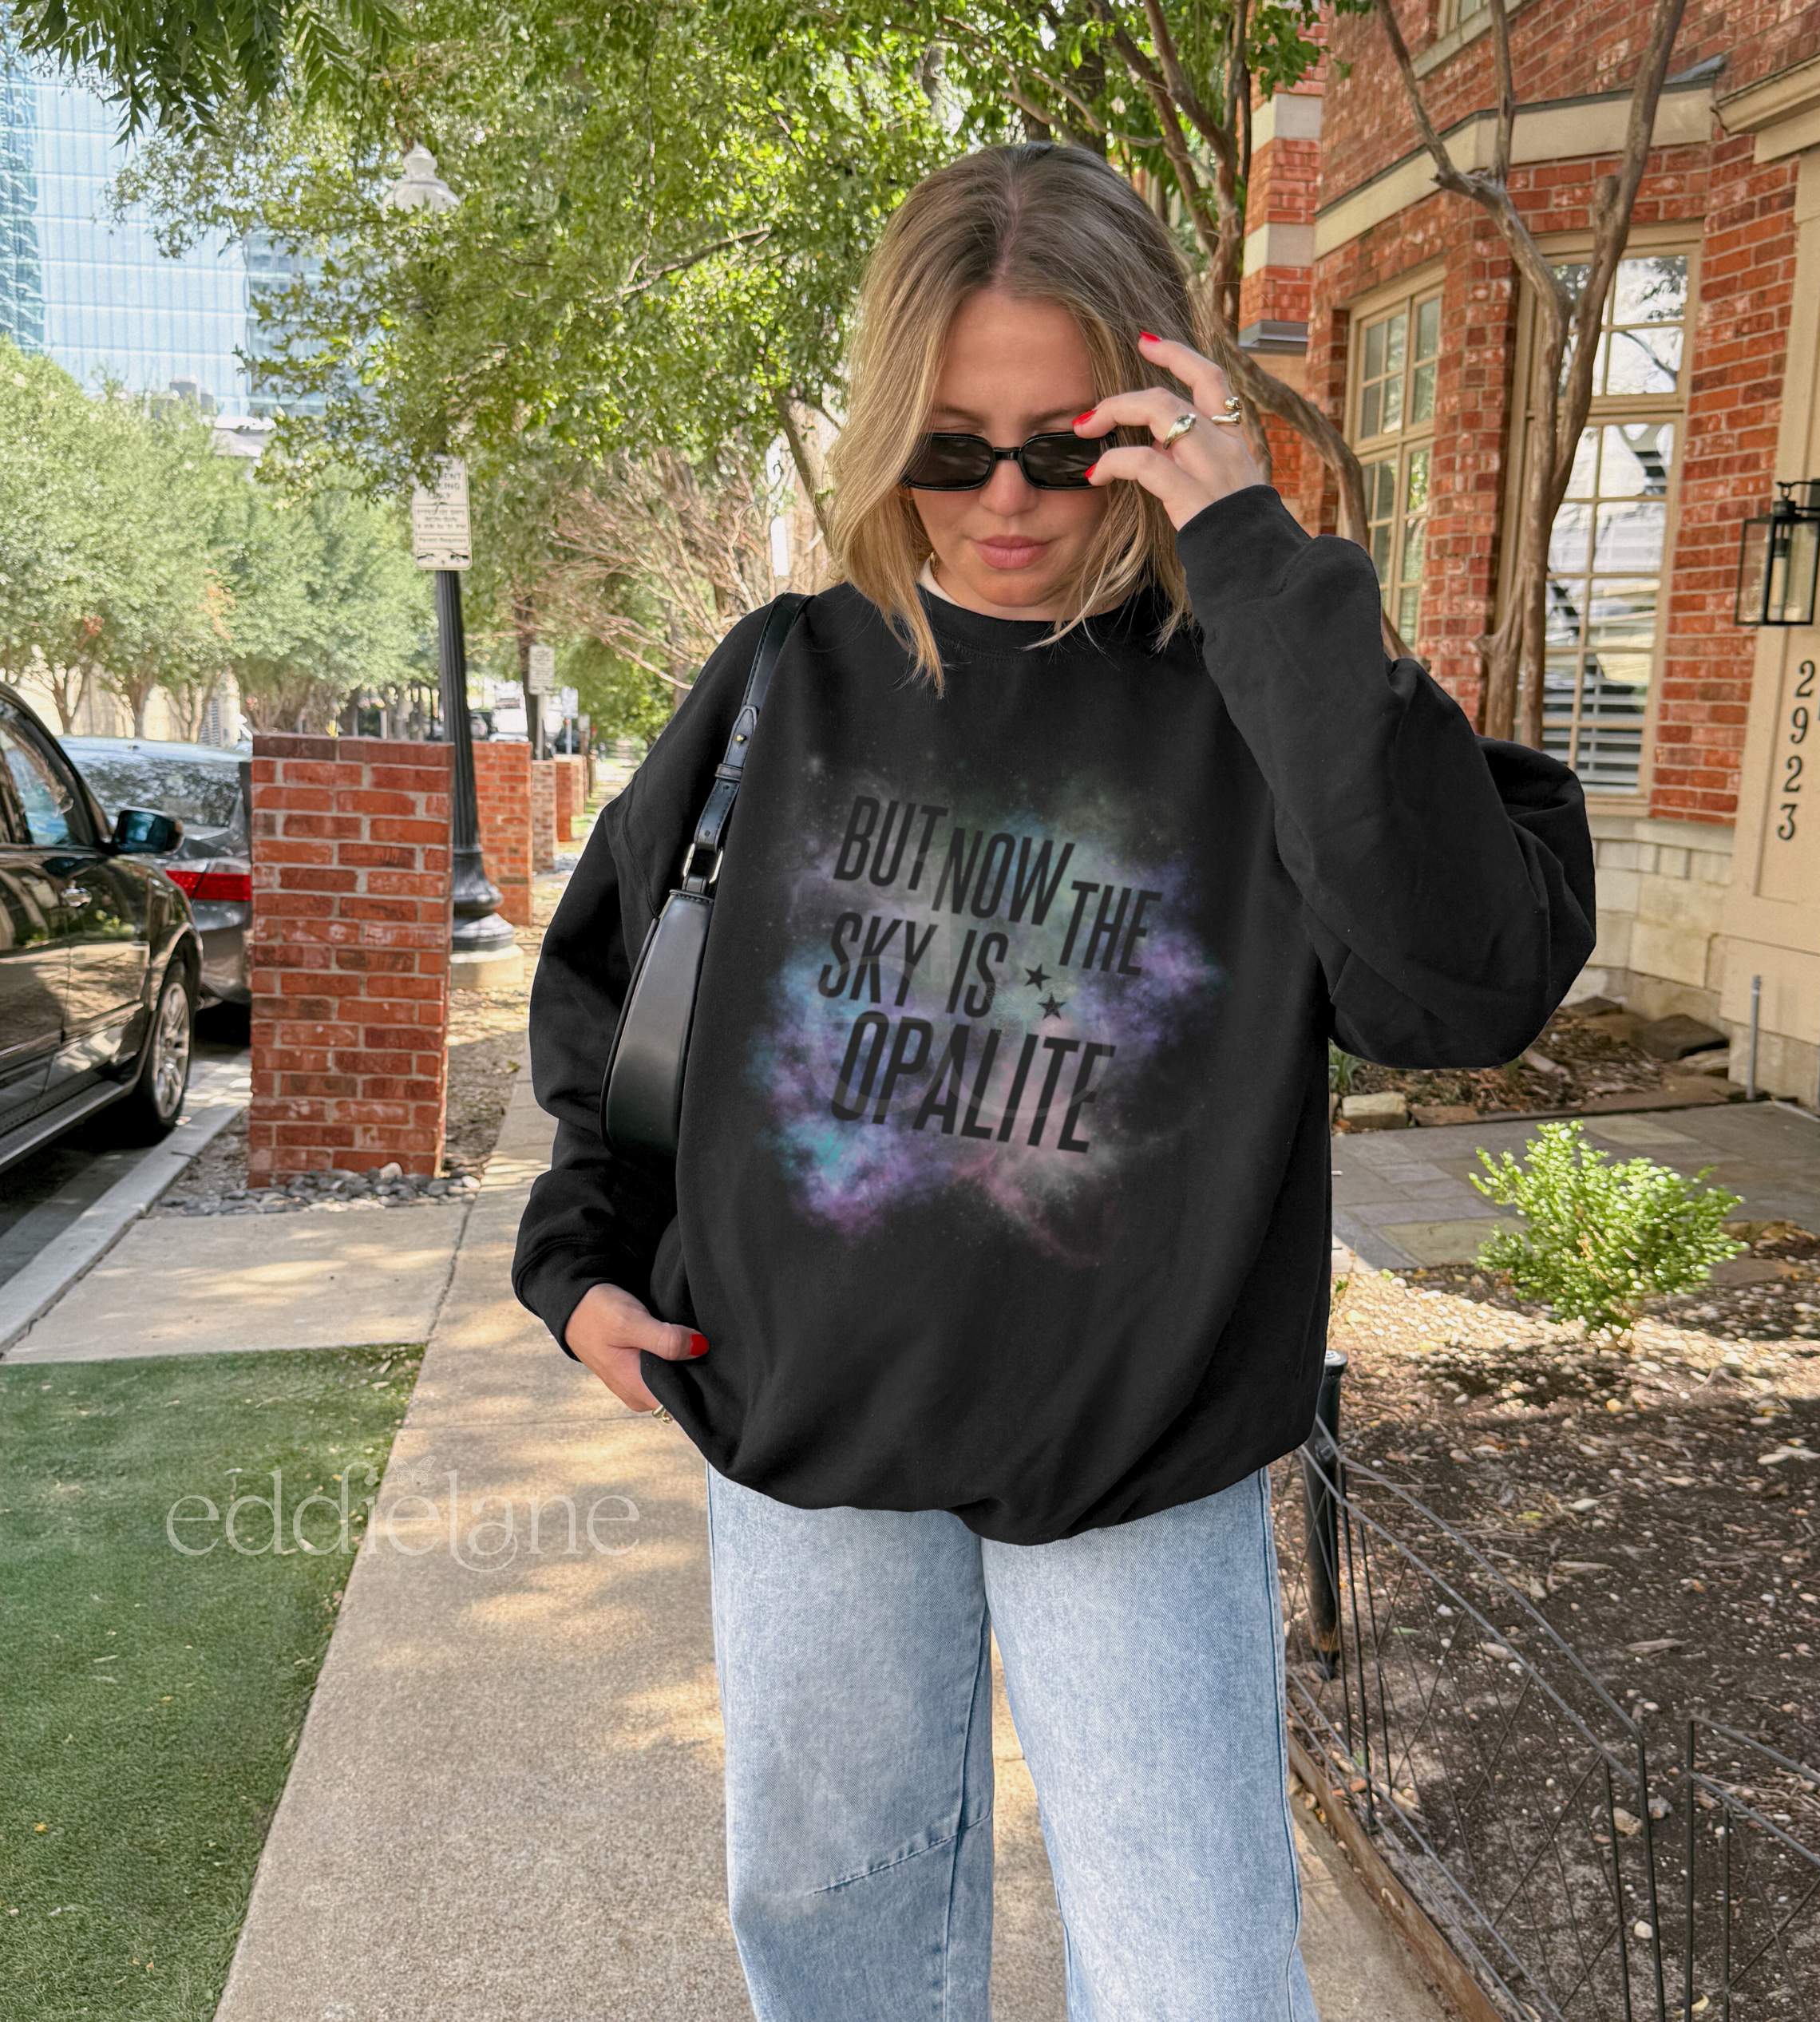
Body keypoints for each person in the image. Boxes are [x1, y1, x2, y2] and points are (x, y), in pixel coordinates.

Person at [513, 141, 1594, 2022]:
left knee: (1198, 1982)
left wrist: (1256, 555)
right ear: (881, 433)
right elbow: (637, 997)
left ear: (1156, 410)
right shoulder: (786, 678)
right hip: (808, 1443)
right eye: (950, 444)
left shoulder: (1253, 689)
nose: (1003, 499)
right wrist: (582, 1253)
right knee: (832, 1942)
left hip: (1136, 1462)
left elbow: (1463, 985)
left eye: (1064, 442)